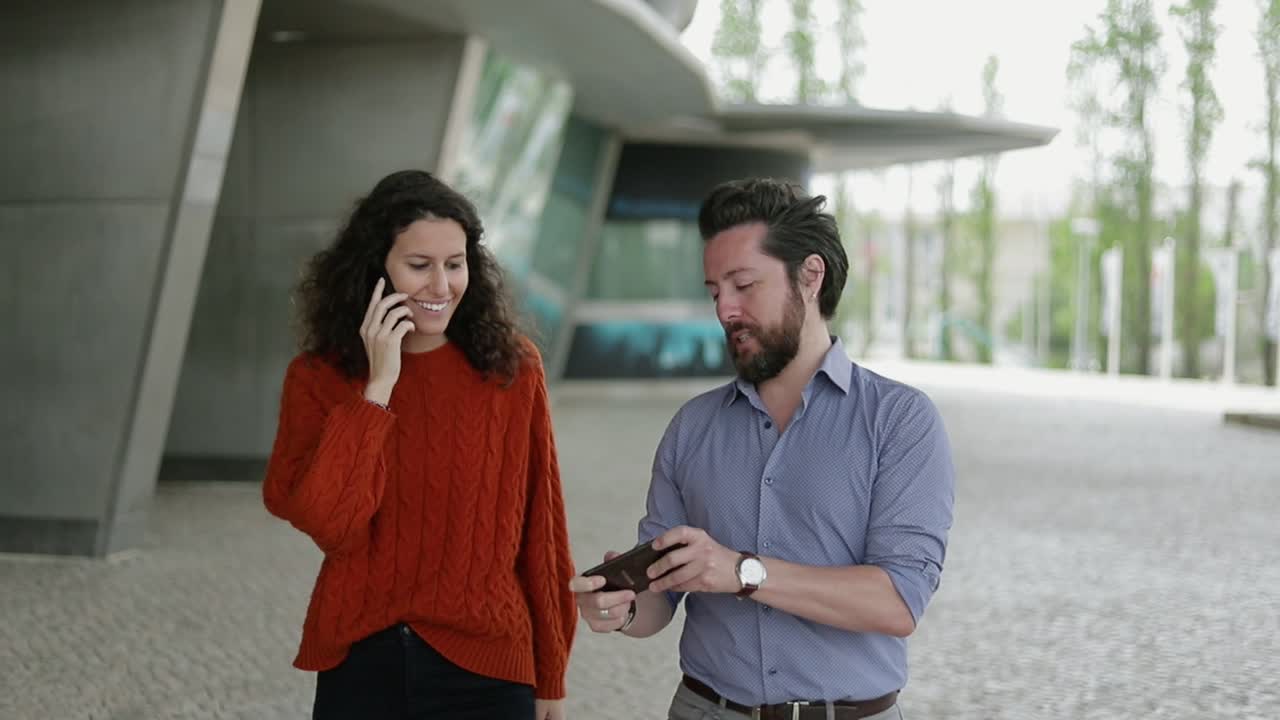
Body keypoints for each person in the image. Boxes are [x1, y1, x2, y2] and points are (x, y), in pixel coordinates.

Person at [570, 178, 955, 720]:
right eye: (714, 291)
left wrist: (743, 572)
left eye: (744, 285)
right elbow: (662, 595)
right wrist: (623, 608)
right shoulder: (692, 427)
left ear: (811, 276)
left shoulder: (900, 421)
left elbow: (898, 601)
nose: (725, 309)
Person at [263, 169, 576, 720]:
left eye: (455, 264)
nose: (441, 286)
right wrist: (377, 391)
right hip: (362, 665)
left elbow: (542, 531)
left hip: (489, 670)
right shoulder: (318, 379)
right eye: (419, 265)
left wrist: (551, 671)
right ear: (375, 268)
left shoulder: (512, 370)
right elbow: (330, 524)